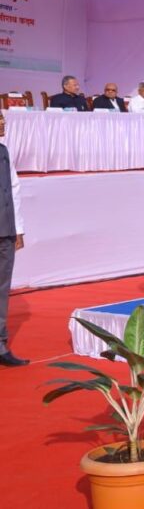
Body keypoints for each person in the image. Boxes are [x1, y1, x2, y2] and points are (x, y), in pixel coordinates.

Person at [0, 111, 27, 366]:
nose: (2, 122)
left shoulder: (4, 151)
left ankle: (0, 345)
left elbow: (14, 190)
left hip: (5, 230)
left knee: (2, 289)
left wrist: (17, 228)